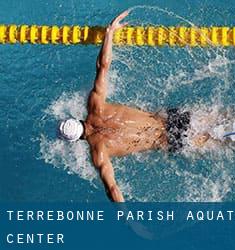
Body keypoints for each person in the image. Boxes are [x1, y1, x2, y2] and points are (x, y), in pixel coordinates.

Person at [58, 11, 210, 202]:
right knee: (226, 118)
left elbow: (112, 189)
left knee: (228, 141)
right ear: (76, 119)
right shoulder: (95, 105)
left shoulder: (99, 152)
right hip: (172, 118)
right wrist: (109, 33)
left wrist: (130, 222)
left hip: (171, 140)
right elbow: (103, 66)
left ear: (76, 140)